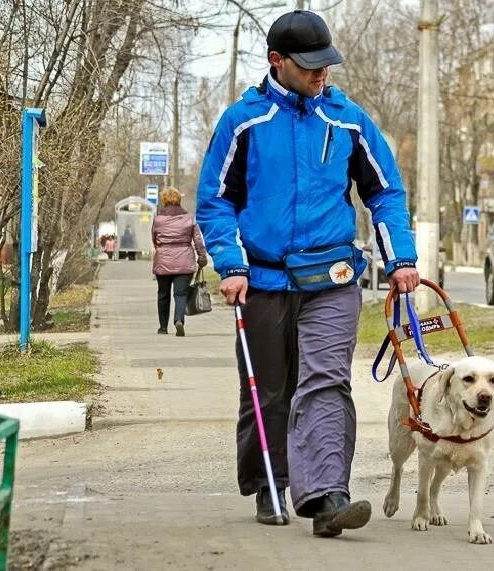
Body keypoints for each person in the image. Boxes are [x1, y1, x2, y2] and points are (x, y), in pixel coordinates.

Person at [196, 9, 419, 537]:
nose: (322, 75)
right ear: (277, 61)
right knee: (270, 390)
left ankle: (325, 498)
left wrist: (401, 259)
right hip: (263, 279)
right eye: (310, 66)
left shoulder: (347, 119)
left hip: (332, 276)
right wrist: (230, 264)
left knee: (325, 381)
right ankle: (270, 483)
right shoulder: (243, 120)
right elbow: (215, 201)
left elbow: (384, 192)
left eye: (327, 65)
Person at [152, 187, 207, 336]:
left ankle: (163, 328)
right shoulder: (190, 218)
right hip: (184, 260)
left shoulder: (158, 219)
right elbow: (197, 240)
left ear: (163, 200)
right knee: (181, 294)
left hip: (163, 260)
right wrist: (202, 257)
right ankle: (179, 320)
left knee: (163, 294)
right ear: (179, 200)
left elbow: (154, 239)